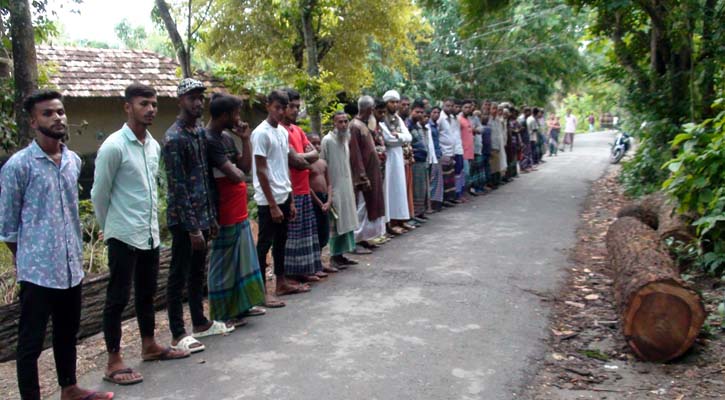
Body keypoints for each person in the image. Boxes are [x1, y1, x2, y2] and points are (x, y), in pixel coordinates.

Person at [1, 90, 114, 400]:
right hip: (37, 272)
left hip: (70, 268)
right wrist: (27, 259)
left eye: (60, 112)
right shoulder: (18, 166)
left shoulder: (72, 161)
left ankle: (70, 388)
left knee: (67, 334)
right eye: (48, 113)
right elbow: (8, 226)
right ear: (33, 121)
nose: (58, 118)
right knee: (31, 343)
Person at [92, 84, 188, 386]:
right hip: (122, 233)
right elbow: (99, 193)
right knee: (117, 298)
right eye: (144, 104)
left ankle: (149, 345)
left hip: (148, 233)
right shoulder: (113, 146)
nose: (151, 109)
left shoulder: (153, 146)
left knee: (146, 293)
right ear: (127, 107)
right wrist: (110, 228)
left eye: (154, 104)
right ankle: (113, 359)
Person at [163, 78, 234, 354]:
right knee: (178, 275)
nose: (197, 102)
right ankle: (177, 333)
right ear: (181, 101)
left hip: (203, 216)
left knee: (197, 272)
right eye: (192, 98)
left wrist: (211, 217)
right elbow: (177, 186)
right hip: (184, 221)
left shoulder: (199, 134)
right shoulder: (174, 138)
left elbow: (205, 179)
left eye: (199, 98)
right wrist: (192, 228)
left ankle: (200, 322)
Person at [205, 94, 267, 328]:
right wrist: (239, 173)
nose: (239, 118)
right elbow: (237, 174)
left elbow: (244, 167)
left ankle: (243, 306)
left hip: (238, 209)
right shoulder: (209, 139)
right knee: (223, 264)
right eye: (236, 114)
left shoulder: (227, 138)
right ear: (224, 115)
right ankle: (222, 313)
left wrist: (246, 140)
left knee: (241, 261)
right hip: (223, 211)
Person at [252, 90, 311, 301]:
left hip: (284, 194)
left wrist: (291, 199)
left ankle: (281, 283)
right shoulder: (261, 133)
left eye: (283, 108)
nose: (280, 112)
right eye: (276, 107)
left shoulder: (283, 133)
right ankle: (261, 292)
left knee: (281, 241)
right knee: (264, 244)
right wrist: (272, 204)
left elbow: (284, 166)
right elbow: (261, 170)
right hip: (268, 198)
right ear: (268, 105)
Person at [280, 89, 324, 283]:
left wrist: (301, 158)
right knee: (293, 235)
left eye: (298, 106)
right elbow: (295, 160)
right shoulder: (280, 131)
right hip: (291, 189)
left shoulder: (297, 130)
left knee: (307, 231)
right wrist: (302, 159)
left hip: (304, 187)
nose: (296, 110)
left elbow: (313, 155)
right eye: (292, 106)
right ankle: (291, 274)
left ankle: (305, 270)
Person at [320, 112, 359, 267]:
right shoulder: (327, 141)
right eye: (340, 122)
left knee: (347, 221)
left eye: (345, 121)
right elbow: (322, 165)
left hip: (346, 187)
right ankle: (334, 257)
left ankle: (342, 255)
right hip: (334, 188)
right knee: (337, 224)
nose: (343, 124)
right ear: (334, 124)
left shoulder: (345, 140)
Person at [348, 95, 386, 249]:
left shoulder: (364, 125)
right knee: (362, 208)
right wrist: (362, 176)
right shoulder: (355, 126)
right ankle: (355, 241)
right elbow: (355, 154)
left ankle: (364, 238)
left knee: (369, 207)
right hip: (363, 176)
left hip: (372, 172)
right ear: (369, 109)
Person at [380, 90, 413, 235]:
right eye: (391, 102)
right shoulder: (381, 120)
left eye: (396, 102)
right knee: (390, 190)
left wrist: (398, 136)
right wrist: (400, 138)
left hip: (399, 157)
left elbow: (409, 136)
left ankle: (401, 219)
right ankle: (391, 222)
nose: (395, 105)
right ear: (386, 103)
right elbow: (388, 140)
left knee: (400, 189)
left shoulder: (398, 119)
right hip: (389, 159)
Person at [307, 133, 338, 272]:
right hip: (315, 200)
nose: (317, 146)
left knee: (324, 231)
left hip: (325, 199)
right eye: (314, 143)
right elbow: (307, 186)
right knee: (315, 231)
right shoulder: (306, 164)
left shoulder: (323, 163)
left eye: (319, 143)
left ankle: (319, 262)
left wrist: (329, 200)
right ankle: (314, 264)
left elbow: (329, 183)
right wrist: (319, 202)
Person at [406, 100, 430, 219]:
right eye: (417, 112)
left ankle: (420, 212)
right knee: (415, 188)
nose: (419, 114)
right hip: (414, 161)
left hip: (422, 161)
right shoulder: (407, 125)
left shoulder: (417, 125)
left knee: (422, 188)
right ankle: (414, 214)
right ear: (411, 111)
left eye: (421, 112)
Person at [438, 99, 460, 205]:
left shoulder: (452, 118)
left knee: (450, 176)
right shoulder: (440, 118)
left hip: (451, 150)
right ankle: (444, 199)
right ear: (443, 106)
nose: (449, 108)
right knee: (444, 177)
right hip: (443, 151)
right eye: (447, 105)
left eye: (451, 106)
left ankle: (450, 198)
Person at [427, 107, 444, 210]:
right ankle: (431, 203)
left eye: (438, 113)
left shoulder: (436, 125)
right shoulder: (428, 125)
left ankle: (436, 202)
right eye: (434, 112)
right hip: (432, 156)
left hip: (438, 154)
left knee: (437, 180)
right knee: (433, 180)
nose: (436, 114)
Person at [458, 100, 476, 197]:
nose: (468, 109)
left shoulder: (468, 119)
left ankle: (466, 192)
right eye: (466, 107)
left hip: (470, 151)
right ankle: (462, 193)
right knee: (465, 173)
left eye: (469, 107)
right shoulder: (459, 120)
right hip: (463, 151)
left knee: (468, 173)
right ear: (461, 108)